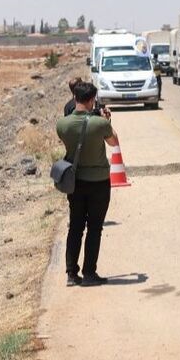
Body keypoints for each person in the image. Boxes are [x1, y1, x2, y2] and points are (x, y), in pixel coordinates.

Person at [56, 80, 119, 287]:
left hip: (75, 182)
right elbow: (113, 141)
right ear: (92, 100)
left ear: (75, 98)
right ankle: (89, 273)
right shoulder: (100, 123)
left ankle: (71, 274)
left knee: (75, 226)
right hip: (99, 182)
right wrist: (106, 120)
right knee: (94, 228)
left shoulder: (62, 125)